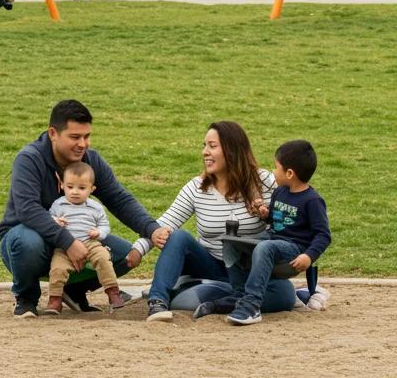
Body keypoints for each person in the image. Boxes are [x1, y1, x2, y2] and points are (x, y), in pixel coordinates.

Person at [0, 99, 168, 317]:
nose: (83, 144)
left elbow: (119, 198)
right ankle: (26, 298)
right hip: (28, 239)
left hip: (78, 237)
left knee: (125, 254)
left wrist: (150, 228)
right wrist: (67, 242)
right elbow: (27, 209)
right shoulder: (29, 159)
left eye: (87, 136)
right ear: (53, 133)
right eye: (75, 137)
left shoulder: (90, 160)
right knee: (27, 243)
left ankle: (72, 290)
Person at [136, 121, 296, 322]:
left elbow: (287, 226)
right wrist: (136, 251)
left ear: (232, 150)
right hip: (210, 264)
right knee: (178, 237)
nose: (205, 152)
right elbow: (164, 224)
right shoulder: (196, 187)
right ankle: (157, 300)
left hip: (249, 270)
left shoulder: (265, 182)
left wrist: (266, 214)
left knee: (286, 295)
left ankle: (222, 302)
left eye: (212, 146)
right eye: (204, 146)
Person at [224, 139, 331, 326]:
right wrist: (264, 214)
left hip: (295, 248)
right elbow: (275, 221)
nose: (273, 172)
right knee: (230, 242)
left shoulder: (312, 201)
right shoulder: (280, 192)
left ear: (290, 173)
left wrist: (309, 256)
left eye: (276, 167)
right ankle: (239, 296)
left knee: (266, 247)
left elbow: (323, 234)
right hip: (272, 239)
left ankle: (252, 305)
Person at [45, 161, 129, 313]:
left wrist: (99, 233)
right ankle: (55, 300)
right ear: (62, 185)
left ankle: (113, 292)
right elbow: (48, 220)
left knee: (104, 258)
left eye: (82, 188)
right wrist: (55, 221)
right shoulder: (58, 204)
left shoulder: (95, 207)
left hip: (91, 243)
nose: (75, 192)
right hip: (64, 246)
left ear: (92, 189)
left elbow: (104, 225)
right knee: (57, 268)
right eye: (70, 187)